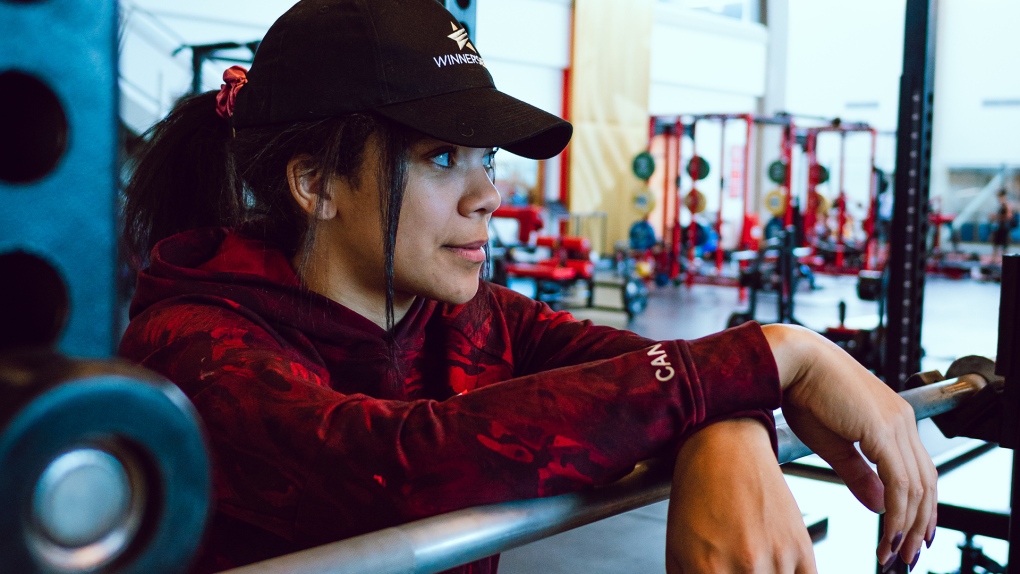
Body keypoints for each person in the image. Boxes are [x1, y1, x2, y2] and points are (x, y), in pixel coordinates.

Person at [119, 1, 937, 572]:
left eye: (487, 159)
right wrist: (782, 353)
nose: (489, 196)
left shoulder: (465, 319)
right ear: (316, 184)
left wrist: (729, 432)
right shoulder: (193, 344)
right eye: (442, 157)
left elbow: (669, 373)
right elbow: (392, 468)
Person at [991, 189, 1014, 264]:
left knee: (1004, 246)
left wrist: (998, 217)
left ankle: (1006, 262)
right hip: (999, 227)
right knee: (996, 245)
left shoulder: (1006, 205)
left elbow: (1009, 216)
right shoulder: (1001, 205)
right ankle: (994, 260)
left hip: (1004, 228)